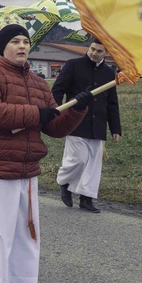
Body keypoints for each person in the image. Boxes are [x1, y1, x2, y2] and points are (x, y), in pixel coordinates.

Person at [0, 16, 92, 283]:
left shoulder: (37, 83)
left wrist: (78, 107)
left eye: (25, 42)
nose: (22, 46)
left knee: (26, 235)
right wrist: (36, 113)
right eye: (15, 42)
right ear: (2, 48)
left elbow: (55, 126)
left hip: (27, 170)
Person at [52, 38, 122, 213]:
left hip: (98, 124)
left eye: (99, 51)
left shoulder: (108, 73)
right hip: (74, 121)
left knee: (93, 165)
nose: (94, 53)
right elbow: (57, 90)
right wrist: (55, 111)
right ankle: (64, 182)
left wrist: (115, 128)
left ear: (106, 53)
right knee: (78, 159)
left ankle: (86, 198)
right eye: (92, 49)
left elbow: (112, 102)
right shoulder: (73, 65)